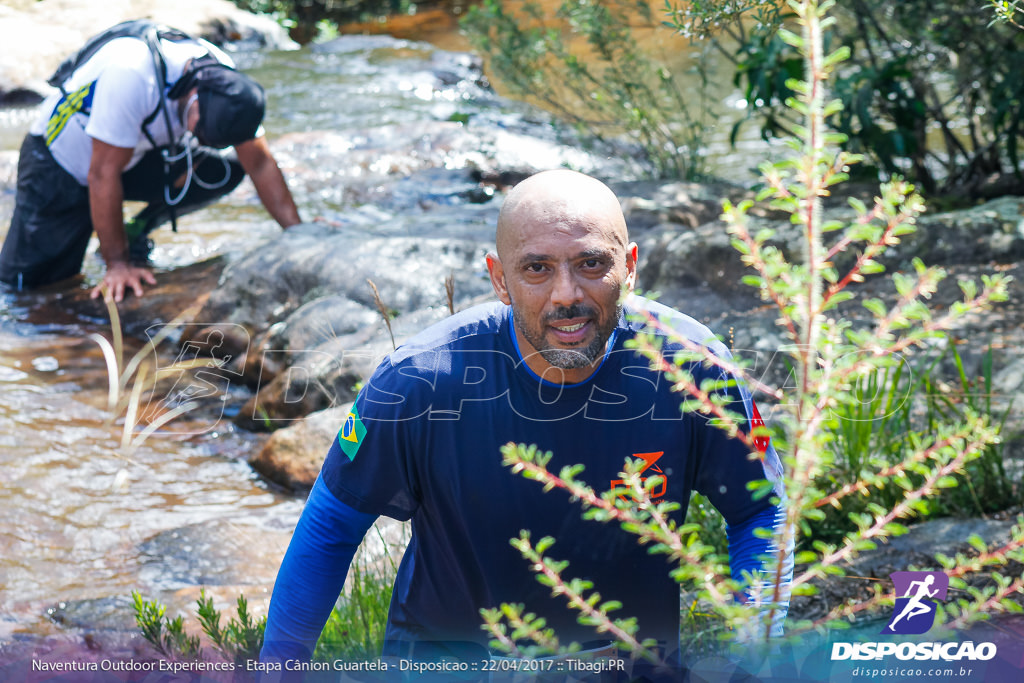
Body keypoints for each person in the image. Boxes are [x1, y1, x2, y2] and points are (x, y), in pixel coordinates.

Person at [259, 170, 791, 677]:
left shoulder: (693, 367)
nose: (566, 295)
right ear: (500, 279)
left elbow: (760, 508)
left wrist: (750, 648)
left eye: (591, 264)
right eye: (537, 268)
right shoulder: (418, 383)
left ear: (629, 267)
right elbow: (331, 528)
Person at [0, 20, 301, 302]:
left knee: (222, 169)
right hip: (58, 163)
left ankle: (135, 231)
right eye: (202, 133)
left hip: (130, 158)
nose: (201, 142)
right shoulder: (132, 74)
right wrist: (118, 265)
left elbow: (260, 164)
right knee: (29, 288)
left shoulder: (228, 85)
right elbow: (102, 175)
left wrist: (298, 234)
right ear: (195, 95)